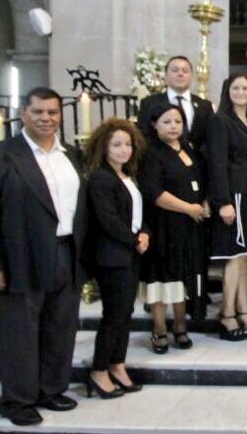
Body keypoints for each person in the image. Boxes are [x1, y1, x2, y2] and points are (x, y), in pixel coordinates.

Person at [0, 87, 88, 426]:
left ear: (60, 115)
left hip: (66, 252)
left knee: (59, 327)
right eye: (39, 112)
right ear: (24, 114)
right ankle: (18, 400)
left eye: (52, 112)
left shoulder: (73, 156)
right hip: (18, 256)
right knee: (19, 331)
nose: (46, 118)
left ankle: (51, 389)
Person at [84, 118, 150, 398]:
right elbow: (108, 219)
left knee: (124, 314)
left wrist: (144, 232)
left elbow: (136, 213)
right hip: (112, 255)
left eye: (128, 144)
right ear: (104, 147)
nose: (124, 149)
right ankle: (99, 371)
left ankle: (117, 365)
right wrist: (134, 239)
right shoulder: (101, 177)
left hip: (130, 252)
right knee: (113, 315)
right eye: (117, 145)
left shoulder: (127, 175)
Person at [137, 104, 208, 354]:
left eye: (178, 121)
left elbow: (201, 181)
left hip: (189, 227)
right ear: (155, 125)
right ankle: (159, 329)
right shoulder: (151, 153)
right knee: (161, 280)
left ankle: (180, 326)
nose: (173, 126)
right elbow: (154, 193)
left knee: (181, 278)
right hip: (163, 226)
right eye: (167, 122)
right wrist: (189, 207)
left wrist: (204, 203)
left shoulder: (188, 149)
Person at [206, 73, 247, 340]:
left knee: (245, 255)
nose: (241, 92)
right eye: (236, 88)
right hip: (235, 195)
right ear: (227, 91)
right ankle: (227, 313)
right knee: (234, 255)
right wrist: (224, 201)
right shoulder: (220, 120)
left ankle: (243, 309)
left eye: (246, 88)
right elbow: (217, 163)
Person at [137, 55, 214, 152]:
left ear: (191, 76)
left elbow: (210, 139)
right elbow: (144, 135)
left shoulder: (204, 106)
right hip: (161, 161)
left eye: (185, 71)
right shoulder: (150, 103)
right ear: (166, 76)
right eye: (175, 70)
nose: (180, 74)